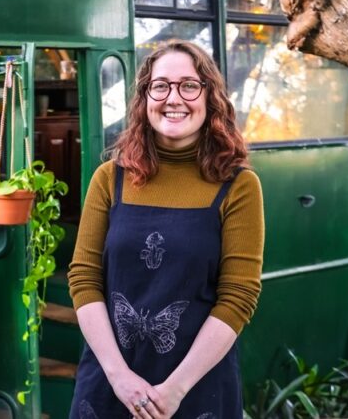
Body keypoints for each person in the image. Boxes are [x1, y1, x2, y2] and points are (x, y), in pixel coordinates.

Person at [68, 40, 264, 419]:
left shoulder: (238, 186)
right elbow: (83, 278)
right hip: (110, 384)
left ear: (210, 97)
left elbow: (238, 297)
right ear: (145, 98)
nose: (174, 98)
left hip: (195, 388)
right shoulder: (110, 178)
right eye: (161, 86)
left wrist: (175, 389)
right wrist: (118, 375)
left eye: (189, 85)